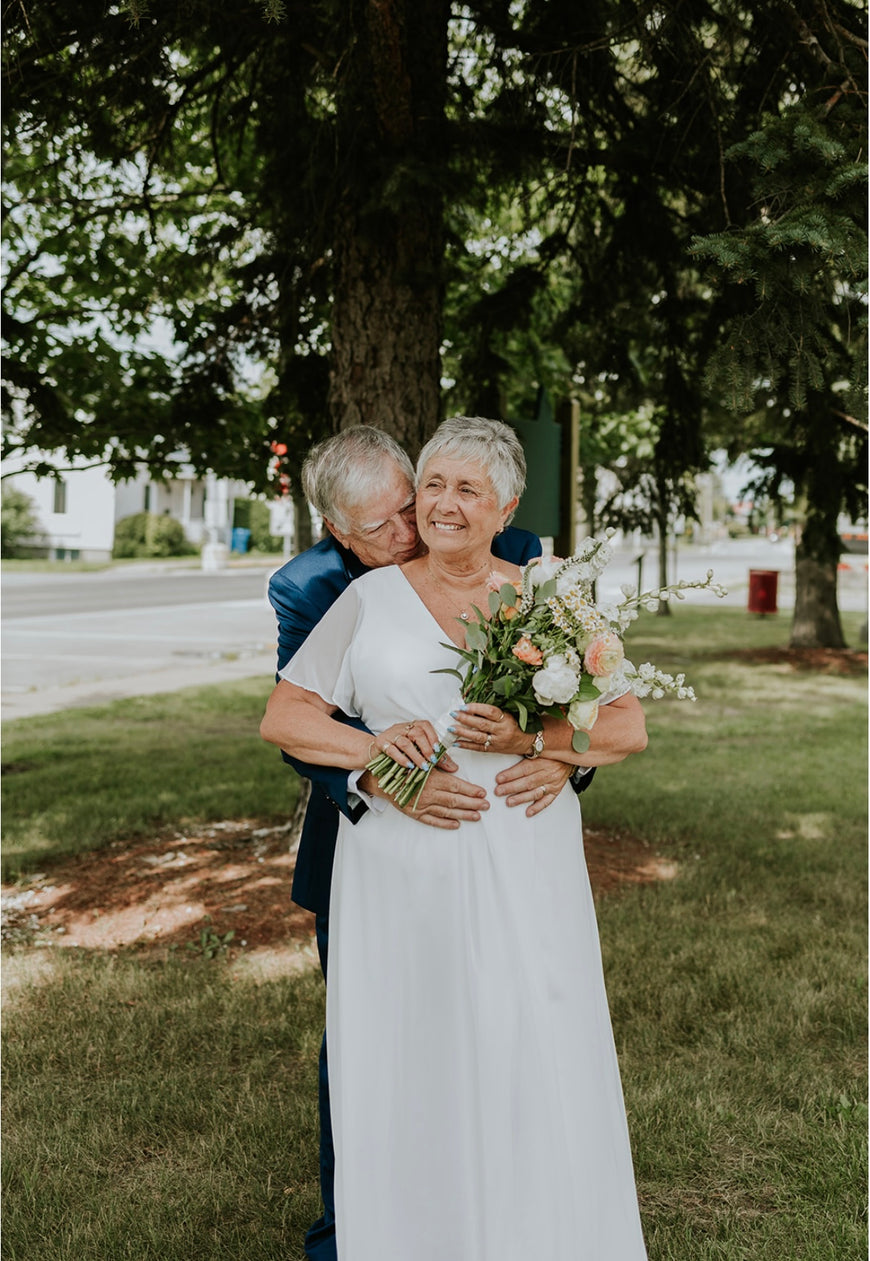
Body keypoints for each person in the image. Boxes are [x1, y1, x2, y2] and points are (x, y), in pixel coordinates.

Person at [261, 417, 648, 1260]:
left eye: (461, 489)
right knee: (403, 1038)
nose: (433, 509)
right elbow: (287, 716)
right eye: (428, 487)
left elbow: (623, 723)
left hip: (525, 857)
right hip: (395, 862)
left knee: (528, 1029)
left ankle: (536, 1223)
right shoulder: (347, 594)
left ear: (505, 503)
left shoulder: (548, 586)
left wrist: (546, 750)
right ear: (345, 530)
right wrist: (379, 759)